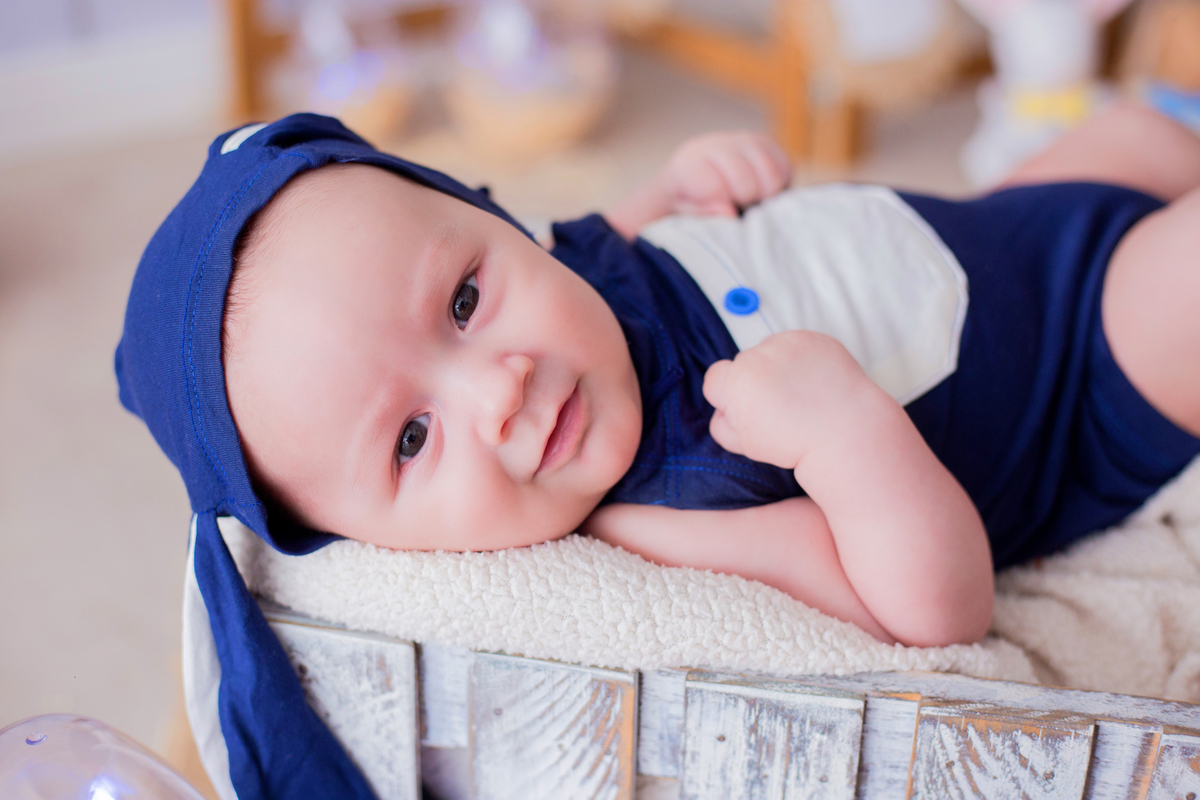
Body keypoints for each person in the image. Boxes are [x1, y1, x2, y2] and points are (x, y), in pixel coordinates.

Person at [115, 105, 1200, 799]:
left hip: (990, 229)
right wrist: (846, 432)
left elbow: (605, 237)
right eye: (410, 437)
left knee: (1145, 136)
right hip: (1085, 363)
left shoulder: (570, 269)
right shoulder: (666, 508)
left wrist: (682, 183)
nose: (501, 385)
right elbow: (934, 607)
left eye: (463, 298)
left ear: (488, 218)